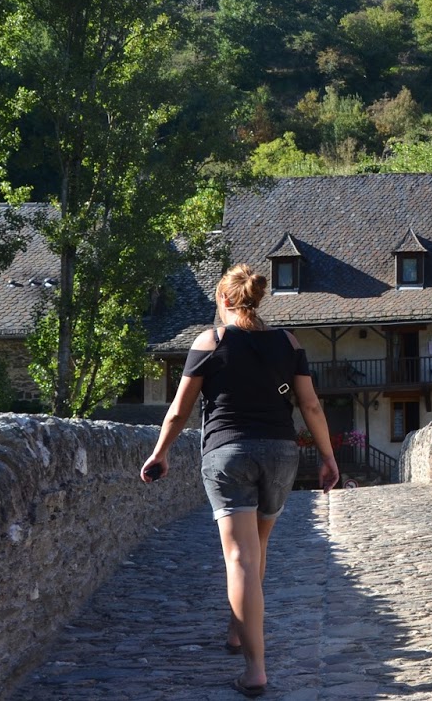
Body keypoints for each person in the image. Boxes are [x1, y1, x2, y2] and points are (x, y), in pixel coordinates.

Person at [142, 264, 338, 698]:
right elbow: (311, 406)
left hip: (228, 454)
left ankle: (255, 670)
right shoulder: (288, 342)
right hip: (281, 454)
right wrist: (327, 456)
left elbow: (178, 411)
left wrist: (160, 453)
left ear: (225, 300)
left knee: (240, 559)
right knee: (257, 550)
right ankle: (237, 631)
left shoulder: (210, 341)